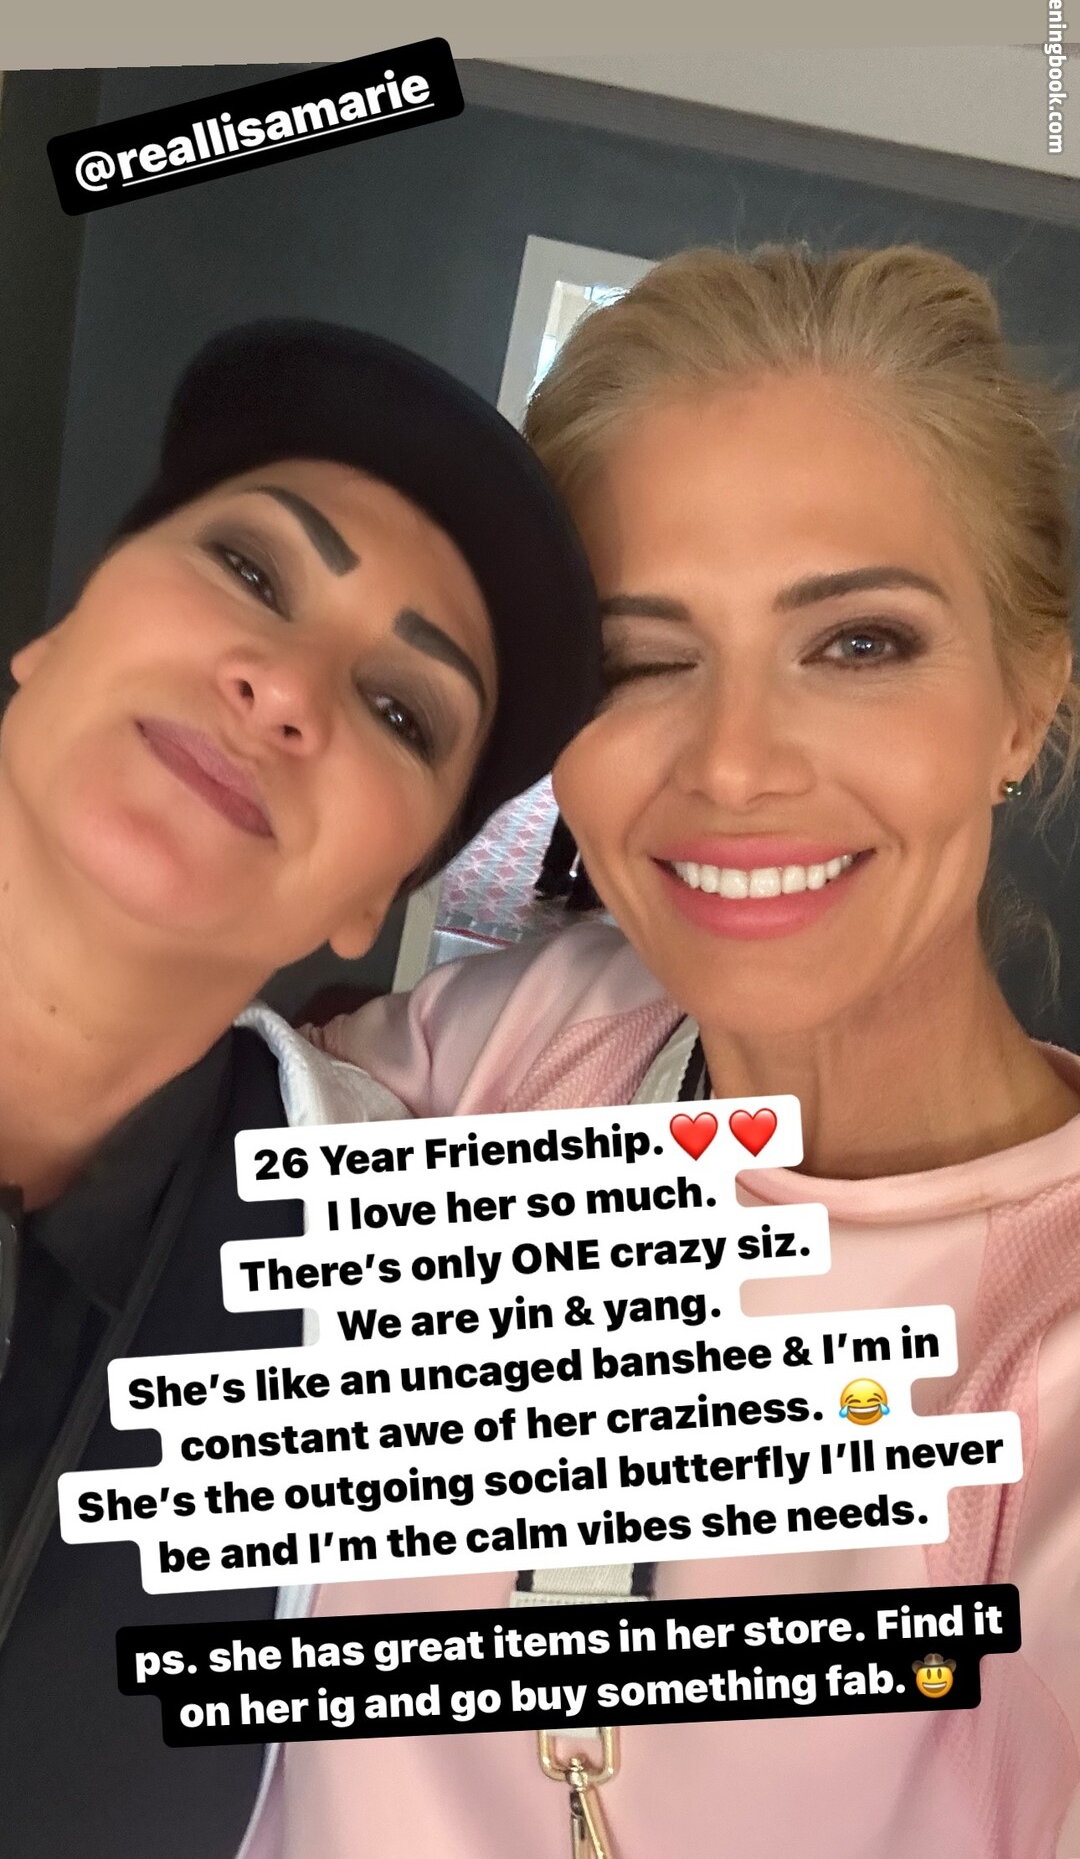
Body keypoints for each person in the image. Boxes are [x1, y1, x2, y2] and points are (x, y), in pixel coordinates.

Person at [286, 246, 1080, 1859]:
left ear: (1025, 700)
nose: (732, 764)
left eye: (858, 643)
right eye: (641, 660)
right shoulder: (519, 1045)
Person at [0, 316, 600, 1859]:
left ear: (373, 897)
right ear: (55, 636)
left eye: (403, 712)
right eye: (252, 571)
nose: (284, 691)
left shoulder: (389, 1296)